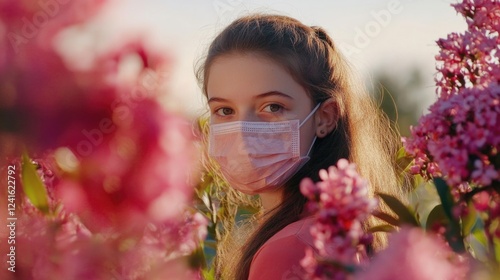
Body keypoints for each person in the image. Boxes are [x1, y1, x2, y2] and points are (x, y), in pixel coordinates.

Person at [196, 14, 404, 280]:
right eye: (225, 110)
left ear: (325, 117)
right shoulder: (339, 233)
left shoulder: (292, 248)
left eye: (272, 107)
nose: (243, 132)